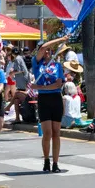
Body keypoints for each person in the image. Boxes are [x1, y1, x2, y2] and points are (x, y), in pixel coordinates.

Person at [33, 35, 71, 173]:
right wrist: (61, 40)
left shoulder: (57, 65)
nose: (47, 52)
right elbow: (42, 47)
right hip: (44, 100)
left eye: (50, 50)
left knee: (56, 133)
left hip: (56, 98)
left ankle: (55, 163)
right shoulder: (37, 63)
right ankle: (46, 160)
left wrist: (40, 87)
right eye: (45, 50)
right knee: (47, 133)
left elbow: (58, 84)